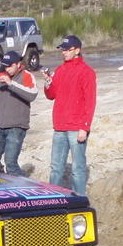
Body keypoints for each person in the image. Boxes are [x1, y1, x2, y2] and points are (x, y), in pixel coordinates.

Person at [41, 35, 97, 195]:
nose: (64, 52)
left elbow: (90, 101)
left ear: (77, 50)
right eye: (62, 49)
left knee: (77, 168)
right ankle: (53, 201)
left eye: (67, 49)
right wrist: (47, 82)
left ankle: (79, 200)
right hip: (60, 126)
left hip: (76, 128)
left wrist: (84, 127)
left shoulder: (87, 72)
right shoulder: (60, 70)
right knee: (56, 168)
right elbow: (51, 95)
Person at [0, 50, 37, 176]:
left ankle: (23, 187)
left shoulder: (26, 76)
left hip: (16, 127)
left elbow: (32, 94)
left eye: (10, 65)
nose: (7, 69)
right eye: (5, 65)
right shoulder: (1, 76)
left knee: (11, 164)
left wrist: (11, 83)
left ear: (18, 64)